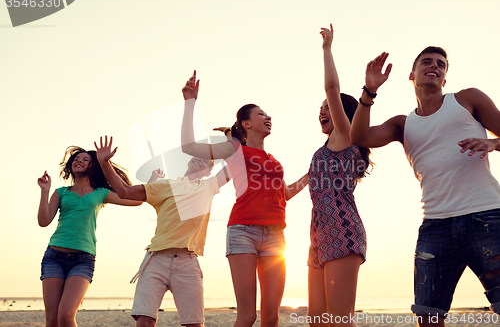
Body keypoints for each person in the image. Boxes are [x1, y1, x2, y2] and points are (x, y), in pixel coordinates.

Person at [350, 47, 500, 326]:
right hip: (435, 226)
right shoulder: (402, 125)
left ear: (444, 79)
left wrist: (493, 143)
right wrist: (369, 92)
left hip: (488, 217)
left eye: (441, 64)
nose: (435, 66)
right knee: (428, 316)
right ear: (411, 75)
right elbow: (358, 136)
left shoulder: (468, 99)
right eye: (427, 62)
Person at [181, 71, 308, 327]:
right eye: (261, 114)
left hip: (276, 236)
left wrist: (313, 172)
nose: (268, 116)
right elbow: (189, 147)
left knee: (271, 317)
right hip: (243, 232)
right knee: (247, 316)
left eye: (267, 113)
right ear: (246, 124)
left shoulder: (274, 161)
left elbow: (287, 194)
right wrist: (189, 103)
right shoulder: (235, 149)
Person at [95, 135, 231, 327]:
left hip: (188, 262)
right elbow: (125, 192)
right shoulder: (164, 185)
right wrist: (104, 163)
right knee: (144, 321)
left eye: (206, 161)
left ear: (209, 172)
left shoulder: (209, 186)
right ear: (190, 160)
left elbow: (236, 164)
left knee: (194, 324)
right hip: (156, 260)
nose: (200, 159)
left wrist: (231, 139)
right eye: (198, 156)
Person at [306, 25, 371, 327]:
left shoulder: (346, 138)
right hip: (318, 235)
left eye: (328, 109)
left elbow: (332, 88)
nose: (323, 112)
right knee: (317, 321)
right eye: (320, 110)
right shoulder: (322, 150)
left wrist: (326, 49)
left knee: (339, 320)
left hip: (343, 231)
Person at [37, 146, 142, 327]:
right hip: (54, 257)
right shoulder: (61, 192)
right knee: (52, 320)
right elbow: (43, 221)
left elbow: (136, 200)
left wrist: (106, 162)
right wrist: (44, 190)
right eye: (76, 159)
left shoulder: (101, 193)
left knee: (66, 315)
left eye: (85, 159)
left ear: (93, 166)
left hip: (82, 259)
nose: (79, 161)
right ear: (71, 166)